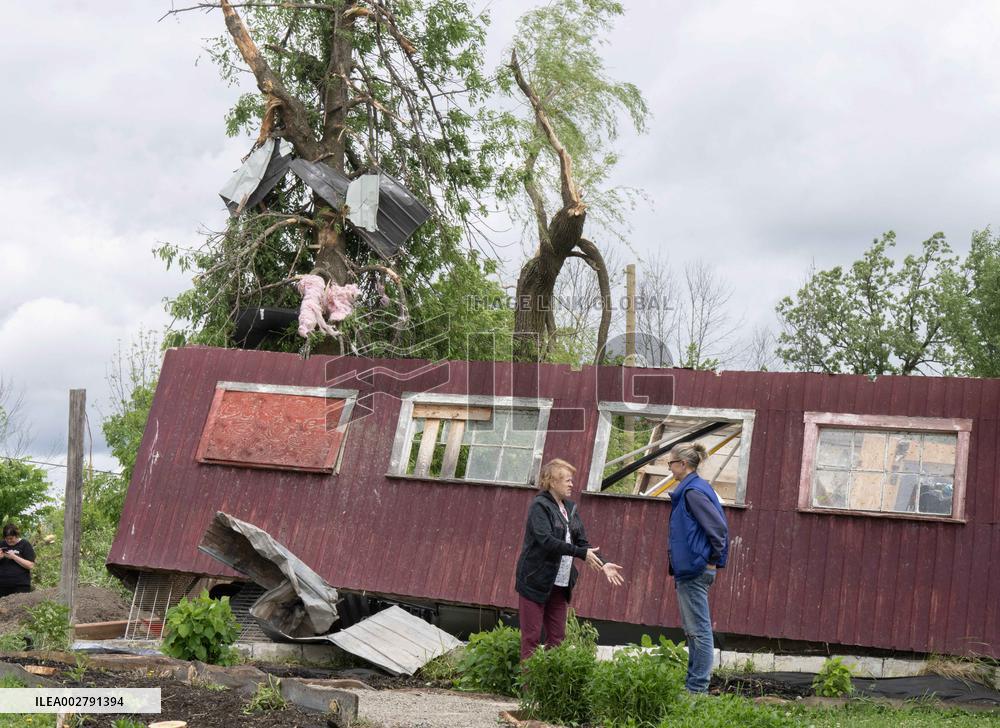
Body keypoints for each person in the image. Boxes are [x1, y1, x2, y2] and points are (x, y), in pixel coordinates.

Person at [515, 458, 623, 661]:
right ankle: (528, 681)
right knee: (531, 638)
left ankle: (550, 678)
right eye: (567, 480)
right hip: (535, 581)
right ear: (552, 481)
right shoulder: (540, 506)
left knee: (557, 638)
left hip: (560, 583)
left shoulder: (570, 509)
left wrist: (604, 563)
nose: (572, 484)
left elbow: (582, 543)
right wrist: (580, 553)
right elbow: (546, 540)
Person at [666, 442, 729, 693]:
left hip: (695, 570)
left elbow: (718, 529)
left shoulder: (693, 492)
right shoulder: (693, 489)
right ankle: (693, 685)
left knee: (699, 630)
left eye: (671, 463)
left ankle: (697, 689)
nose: (669, 468)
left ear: (683, 464)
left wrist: (709, 559)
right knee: (693, 630)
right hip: (691, 569)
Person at [0, 524, 36, 598]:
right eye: (7, 539)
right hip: (2, 586)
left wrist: (14, 557)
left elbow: (30, 565)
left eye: (11, 538)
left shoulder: (25, 544)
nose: (9, 541)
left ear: (16, 535)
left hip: (21, 586)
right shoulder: (1, 544)